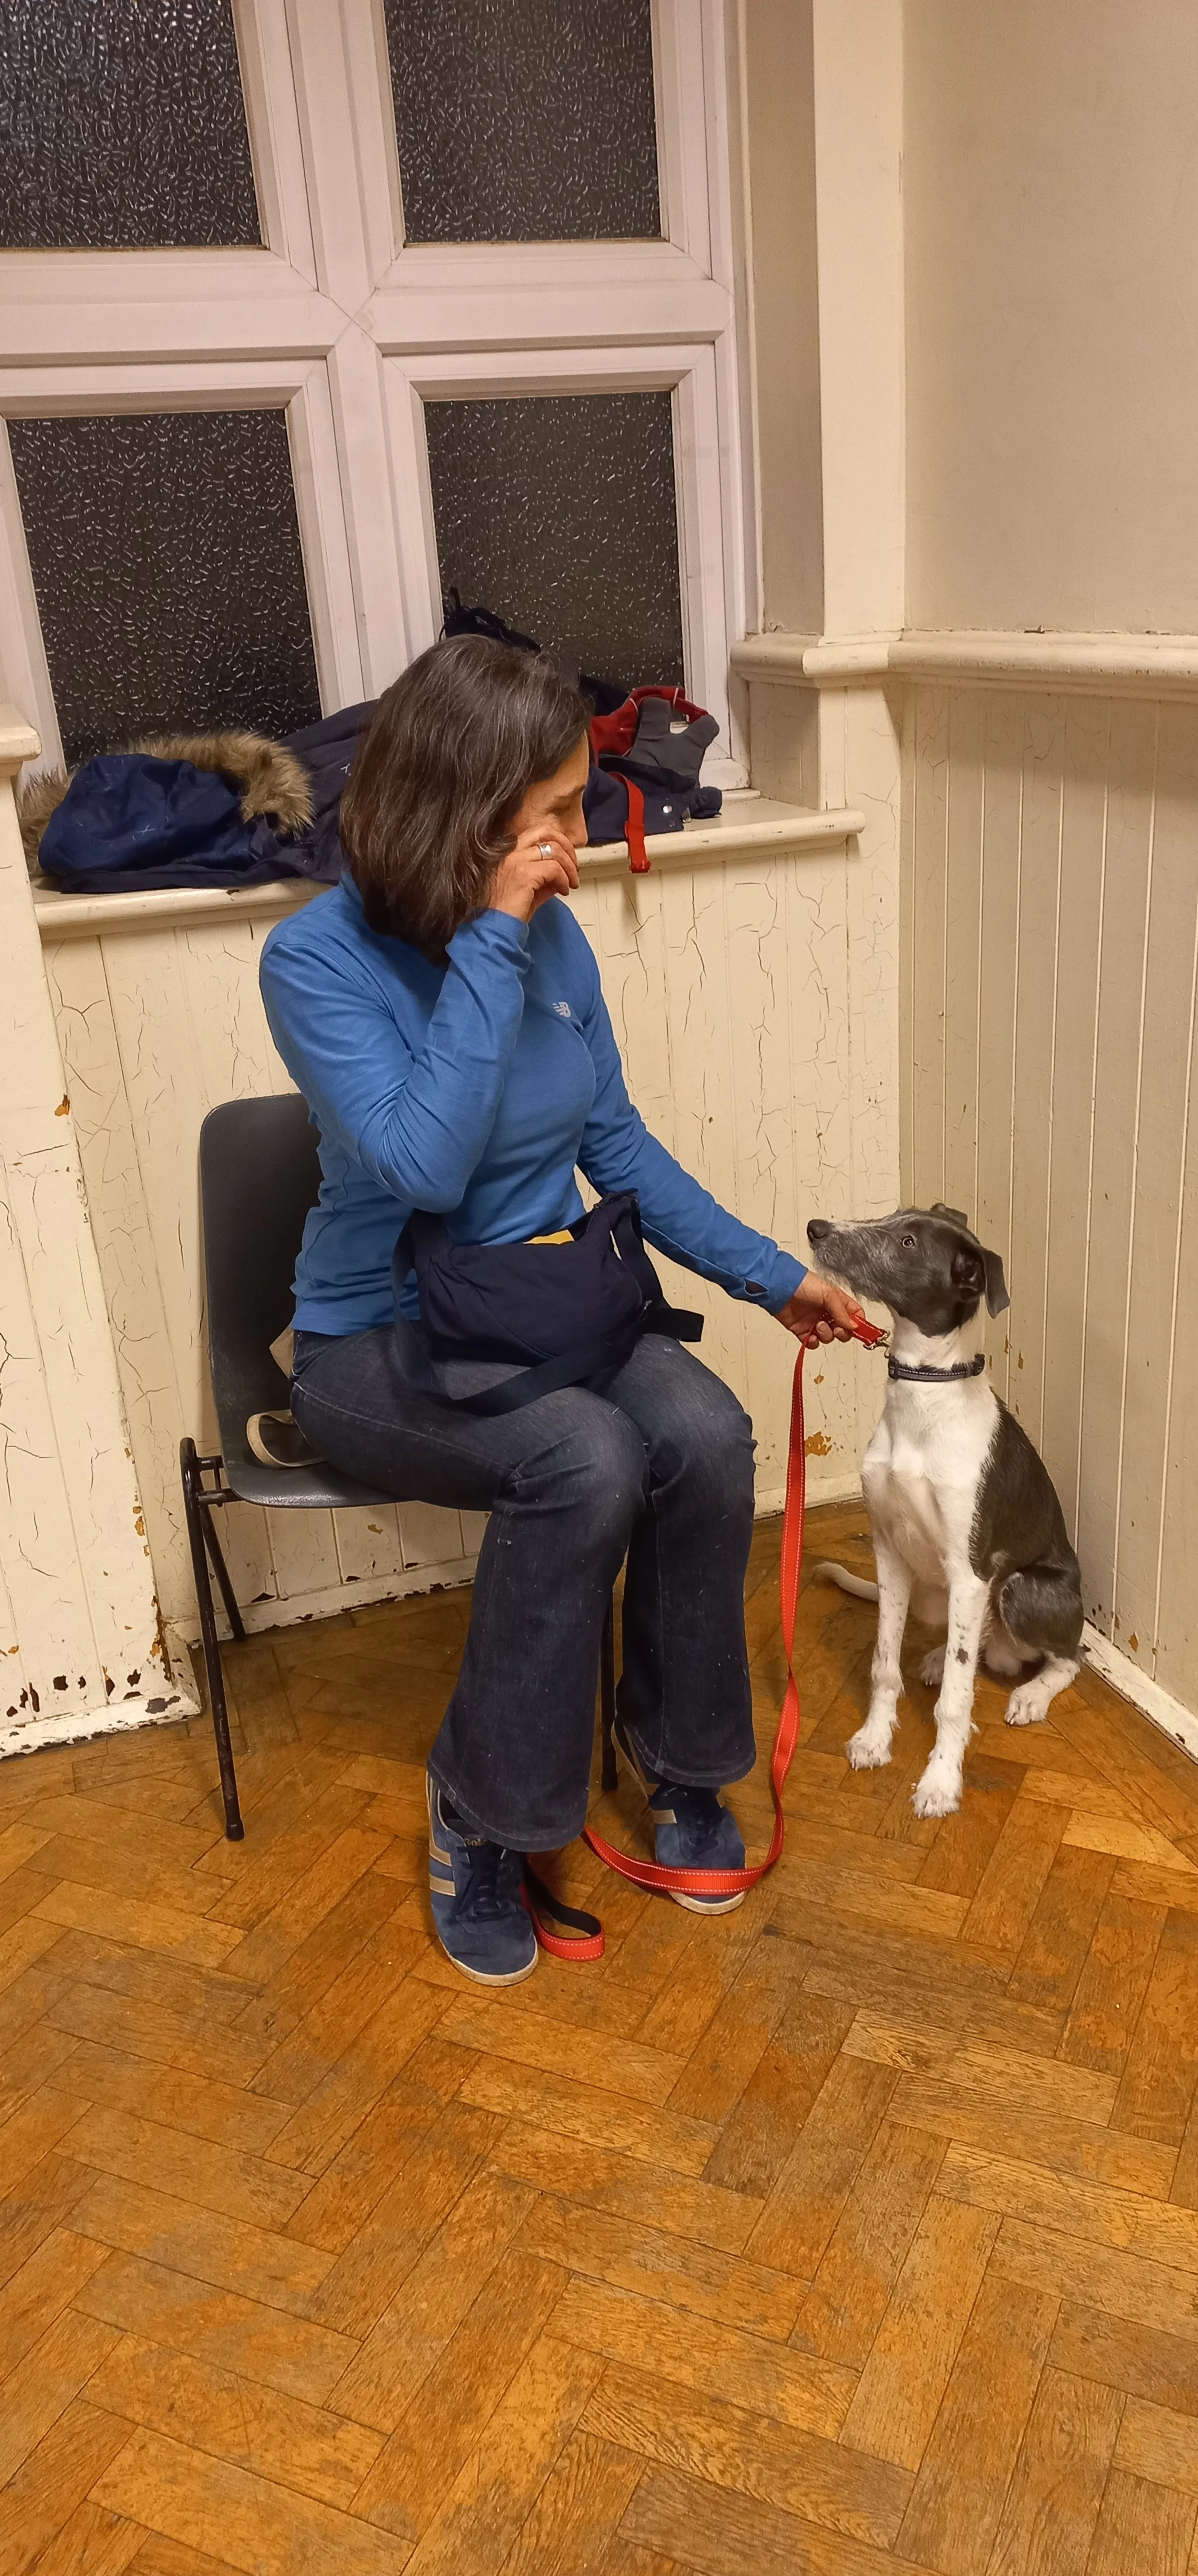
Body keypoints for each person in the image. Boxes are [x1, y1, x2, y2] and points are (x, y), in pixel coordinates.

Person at [259, 639, 862, 1986]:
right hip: (378, 1337)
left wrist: (776, 1277)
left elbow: (621, 1152)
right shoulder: (317, 962)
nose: (576, 837)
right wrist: (488, 937)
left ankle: (689, 1770)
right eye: (549, 812)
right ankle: (481, 1813)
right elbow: (419, 1163)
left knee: (701, 1434)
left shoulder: (555, 934)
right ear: (460, 816)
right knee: (582, 1459)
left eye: (576, 803)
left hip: (540, 1305)